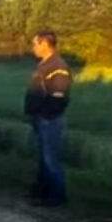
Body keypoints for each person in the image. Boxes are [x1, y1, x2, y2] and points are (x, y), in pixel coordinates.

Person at [25, 30, 72, 207]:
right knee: (44, 156)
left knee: (51, 157)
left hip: (50, 119)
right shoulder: (44, 64)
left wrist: (45, 114)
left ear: (45, 43)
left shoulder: (58, 67)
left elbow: (58, 97)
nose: (33, 47)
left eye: (35, 43)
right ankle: (42, 191)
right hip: (40, 118)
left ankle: (57, 196)